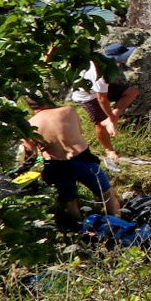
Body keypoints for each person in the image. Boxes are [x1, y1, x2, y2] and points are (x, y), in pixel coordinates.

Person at [21, 95, 121, 228]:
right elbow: (78, 132)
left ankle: (81, 230)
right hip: (82, 158)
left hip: (56, 165)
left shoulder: (29, 125)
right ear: (48, 99)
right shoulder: (68, 110)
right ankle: (118, 225)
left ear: (29, 106)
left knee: (70, 201)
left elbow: (30, 155)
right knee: (107, 194)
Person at [75, 42, 139, 165]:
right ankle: (109, 150)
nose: (128, 58)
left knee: (132, 92)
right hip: (86, 96)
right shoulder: (101, 72)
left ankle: (113, 116)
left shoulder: (107, 63)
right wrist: (110, 117)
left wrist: (114, 114)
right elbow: (102, 99)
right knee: (101, 123)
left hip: (98, 90)